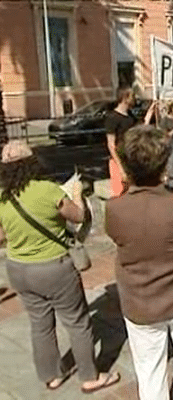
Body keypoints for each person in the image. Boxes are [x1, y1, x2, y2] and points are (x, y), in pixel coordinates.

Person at [0, 140, 120, 393]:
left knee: (40, 324)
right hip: (54, 267)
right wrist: (76, 194)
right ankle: (89, 377)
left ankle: (51, 376)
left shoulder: (2, 197)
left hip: (18, 268)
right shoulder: (47, 190)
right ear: (32, 164)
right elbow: (78, 216)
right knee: (77, 322)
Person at [105, 125, 173, 400]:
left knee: (149, 374)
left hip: (140, 304)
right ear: (164, 164)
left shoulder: (114, 209)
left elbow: (118, 237)